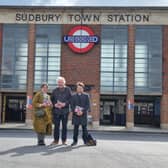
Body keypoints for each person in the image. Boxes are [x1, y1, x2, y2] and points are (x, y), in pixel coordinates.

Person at [51, 76, 72, 145]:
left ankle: (64, 140)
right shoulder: (54, 90)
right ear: (57, 83)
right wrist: (55, 105)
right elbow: (52, 100)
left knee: (64, 127)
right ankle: (56, 140)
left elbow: (70, 99)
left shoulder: (68, 89)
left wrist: (64, 104)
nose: (60, 83)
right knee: (56, 126)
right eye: (59, 82)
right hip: (56, 111)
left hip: (65, 111)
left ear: (64, 82)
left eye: (61, 82)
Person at [70, 82, 90, 146]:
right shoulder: (73, 96)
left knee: (85, 129)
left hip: (83, 115)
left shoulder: (86, 96)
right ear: (76, 89)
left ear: (83, 89)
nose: (79, 89)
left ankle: (86, 141)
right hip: (76, 115)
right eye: (78, 88)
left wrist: (82, 112)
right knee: (75, 129)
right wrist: (76, 112)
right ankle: (74, 141)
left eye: (81, 88)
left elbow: (88, 106)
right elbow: (72, 106)